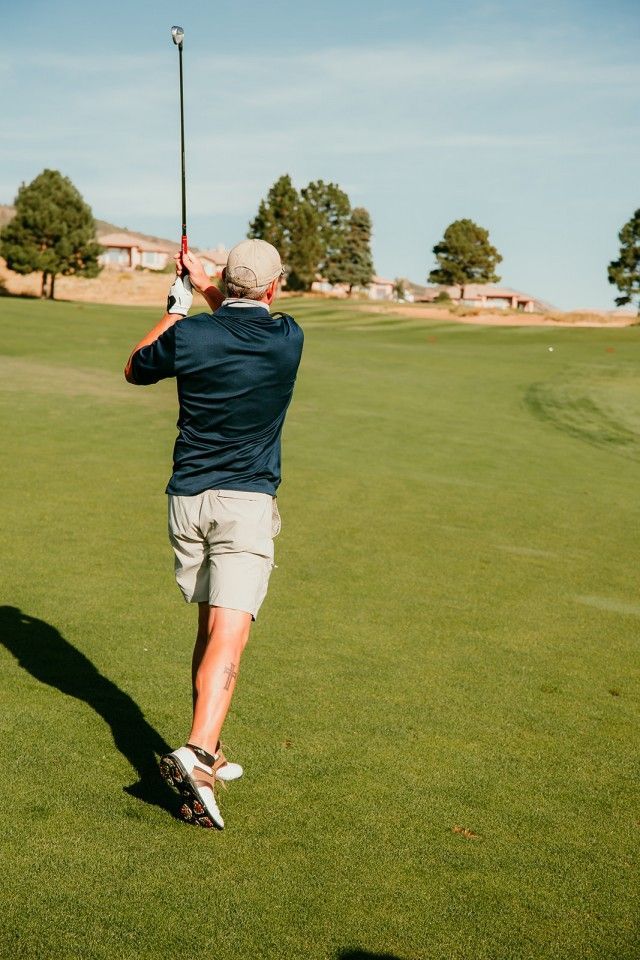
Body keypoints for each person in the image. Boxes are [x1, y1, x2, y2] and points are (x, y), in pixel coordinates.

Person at [124, 239, 304, 829]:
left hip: (187, 502)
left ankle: (210, 740)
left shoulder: (194, 335)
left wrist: (179, 302)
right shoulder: (287, 340)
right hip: (244, 504)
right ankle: (198, 753)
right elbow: (240, 309)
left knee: (209, 623)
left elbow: (135, 366)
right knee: (232, 632)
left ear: (226, 281)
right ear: (274, 289)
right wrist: (207, 286)